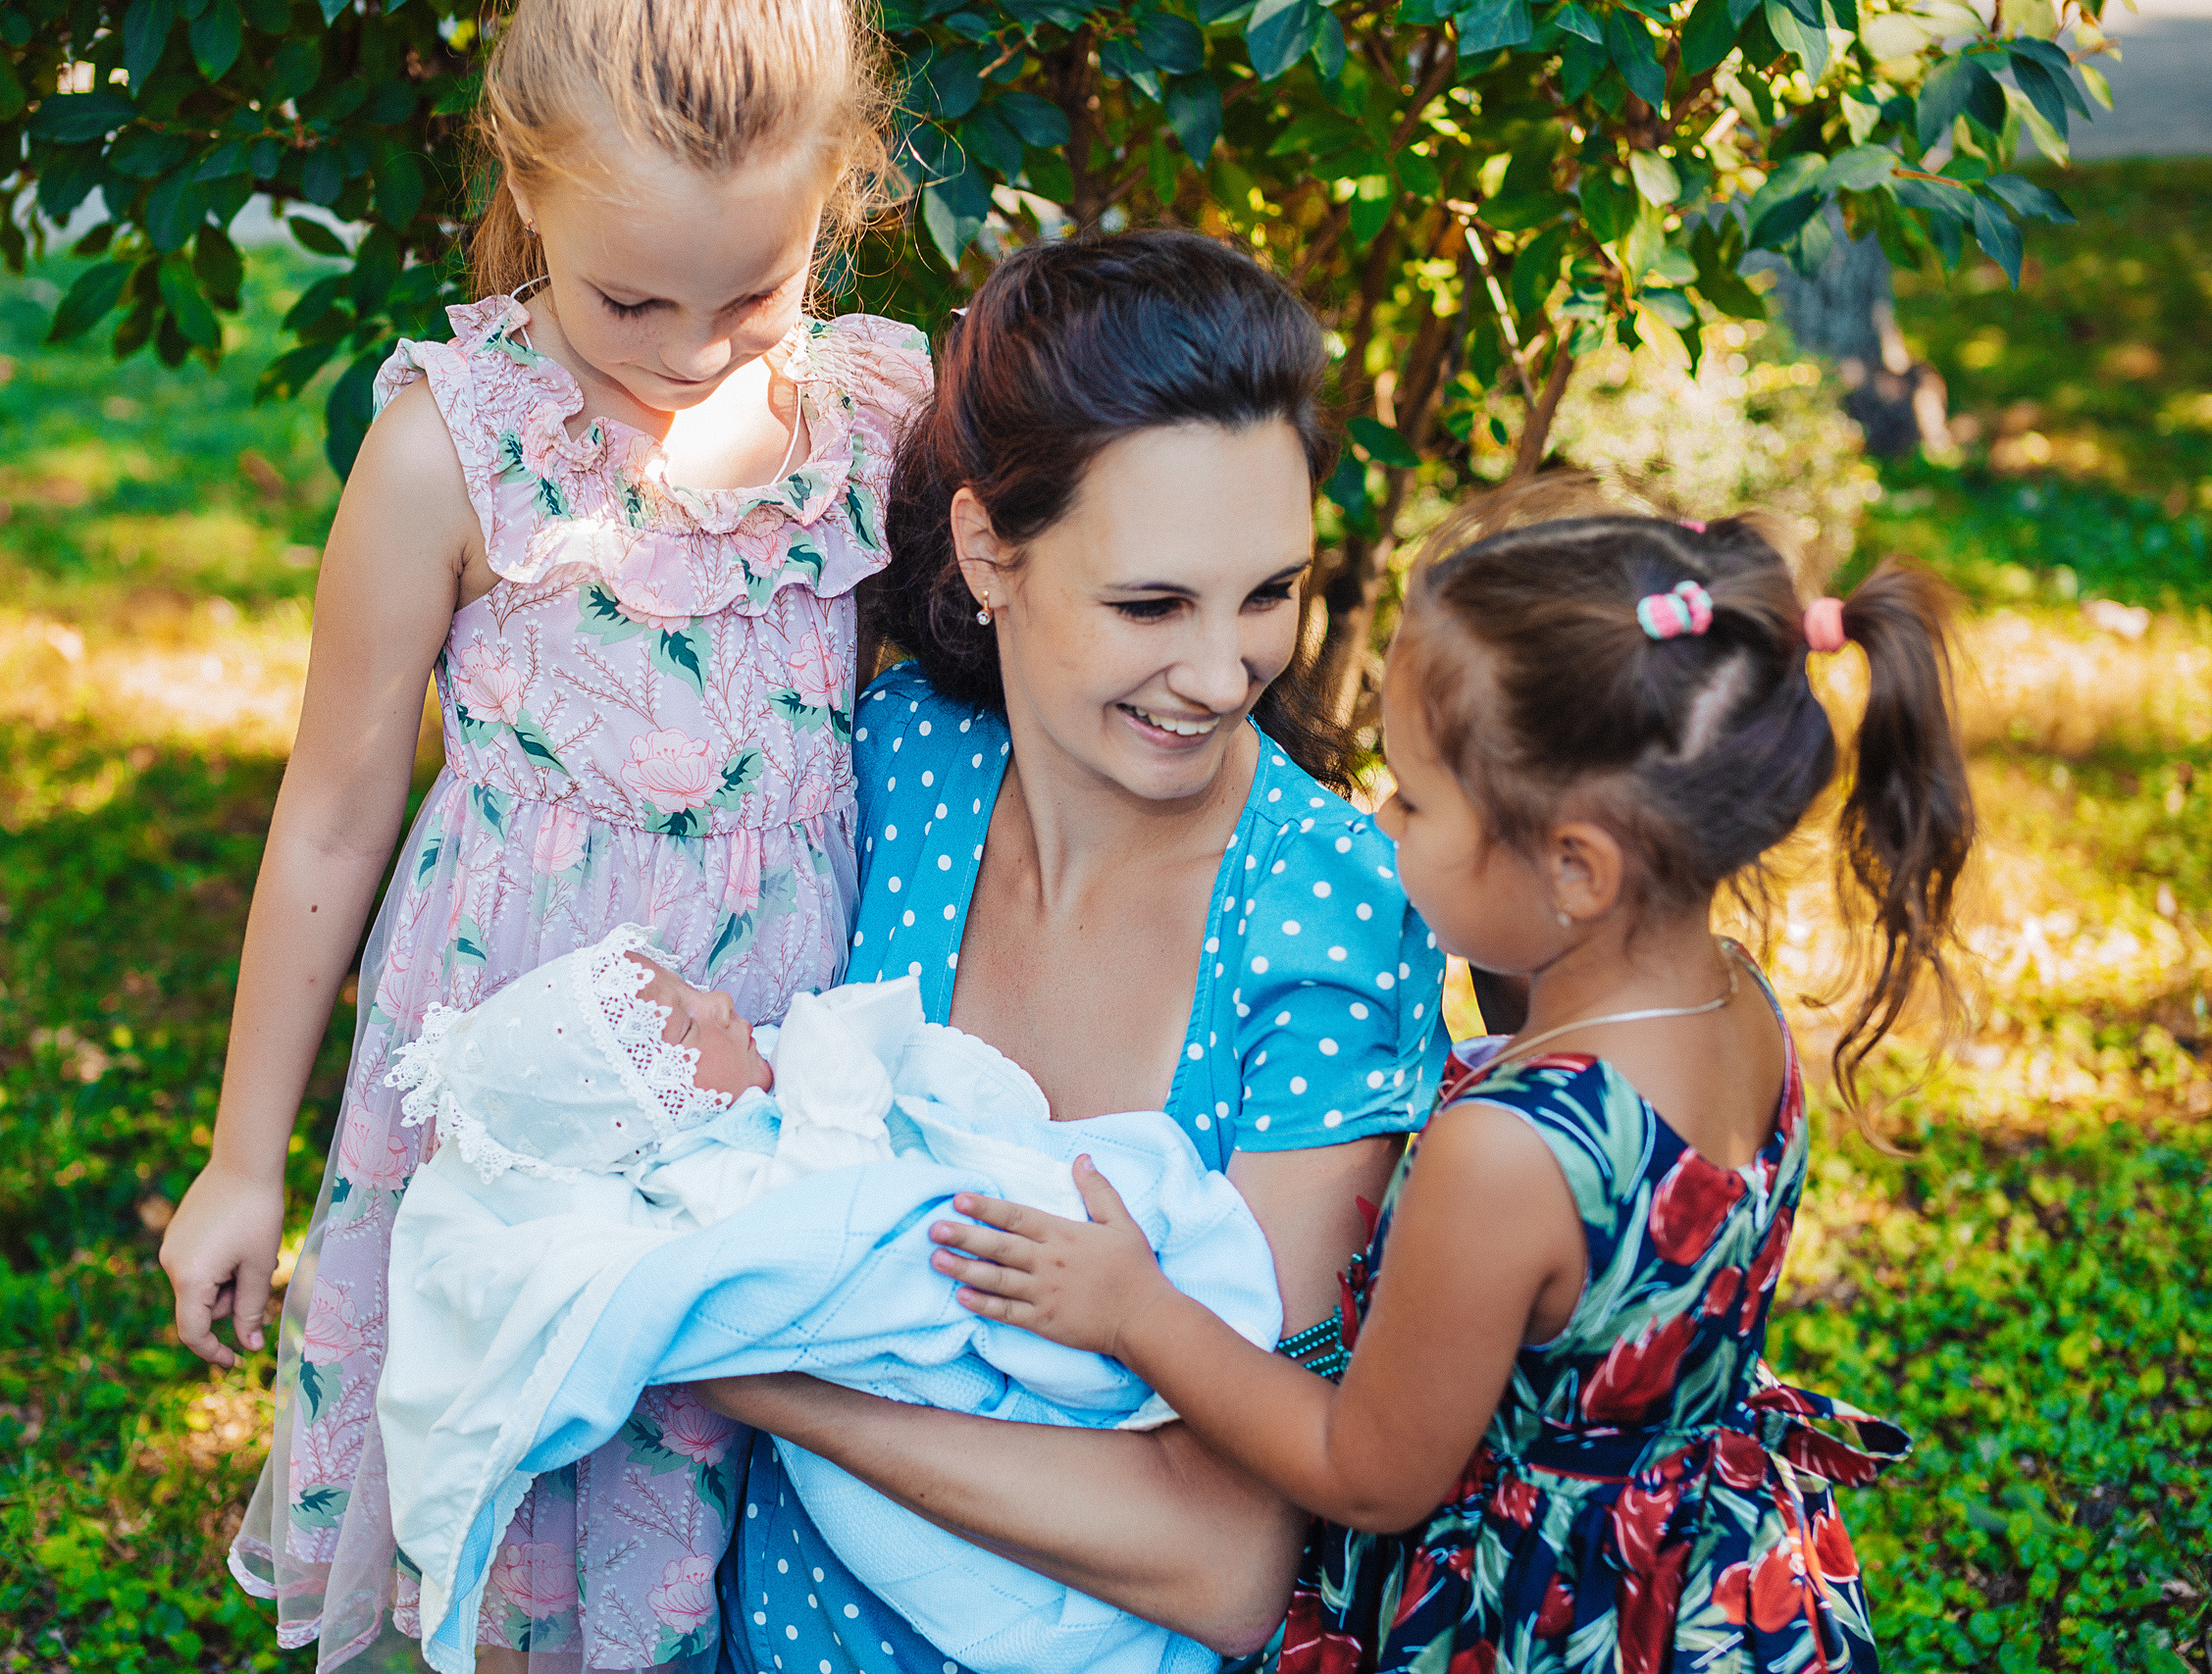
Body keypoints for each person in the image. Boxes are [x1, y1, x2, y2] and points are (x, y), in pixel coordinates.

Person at [151, 1, 929, 1665]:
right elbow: (334, 814)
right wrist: (241, 1159)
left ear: (839, 194)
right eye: (629, 300)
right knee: (518, 1518)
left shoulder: (872, 422)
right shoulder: (453, 446)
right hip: (514, 1098)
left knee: (732, 1502)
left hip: (763, 1083)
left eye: (757, 294)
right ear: (528, 188)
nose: (694, 352)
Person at [926, 484, 1973, 1674]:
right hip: (1708, 1573)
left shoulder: (1504, 1155)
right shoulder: (1736, 1005)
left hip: (1547, 1613)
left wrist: (1134, 1311)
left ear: (1576, 872)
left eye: (1416, 800)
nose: (1381, 824)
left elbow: (1366, 1472)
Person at [694, 229, 1457, 1672]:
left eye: (1270, 592)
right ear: (991, 550)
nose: (1224, 674)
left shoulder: (1329, 912)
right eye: (1151, 603)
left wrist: (755, 1372)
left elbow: (1228, 1559)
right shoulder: (893, 761)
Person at [373, 927, 1289, 1674]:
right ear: (644, 1109)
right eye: (687, 1026)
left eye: (692, 986)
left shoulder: (744, 1118)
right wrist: (831, 1071)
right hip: (917, 1361)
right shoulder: (705, 1188)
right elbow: (834, 1229)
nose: (719, 1003)